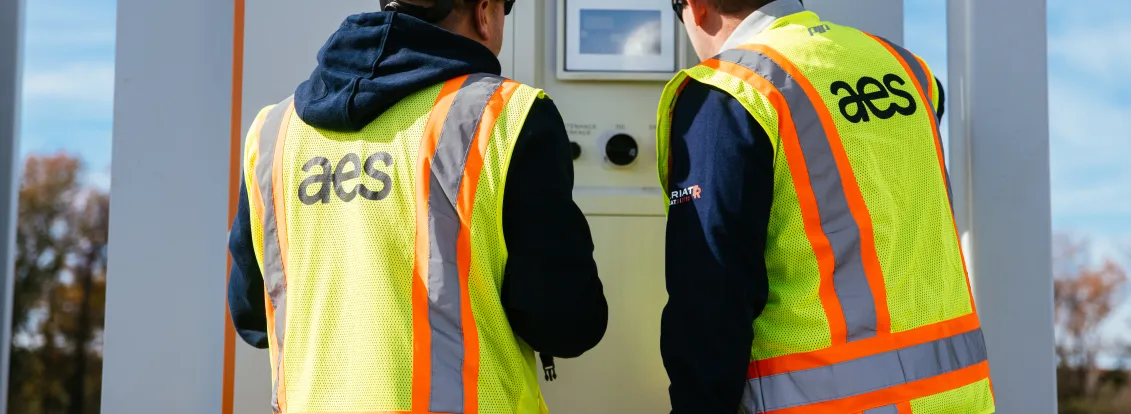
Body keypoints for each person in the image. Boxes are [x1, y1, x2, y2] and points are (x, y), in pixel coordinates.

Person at [226, 1, 608, 412]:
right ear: (484, 12)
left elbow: (252, 316)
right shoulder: (507, 115)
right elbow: (566, 322)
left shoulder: (274, 132)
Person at [656, 0, 994, 413]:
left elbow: (711, 300)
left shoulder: (729, 90)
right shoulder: (907, 69)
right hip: (955, 399)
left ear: (695, 6)